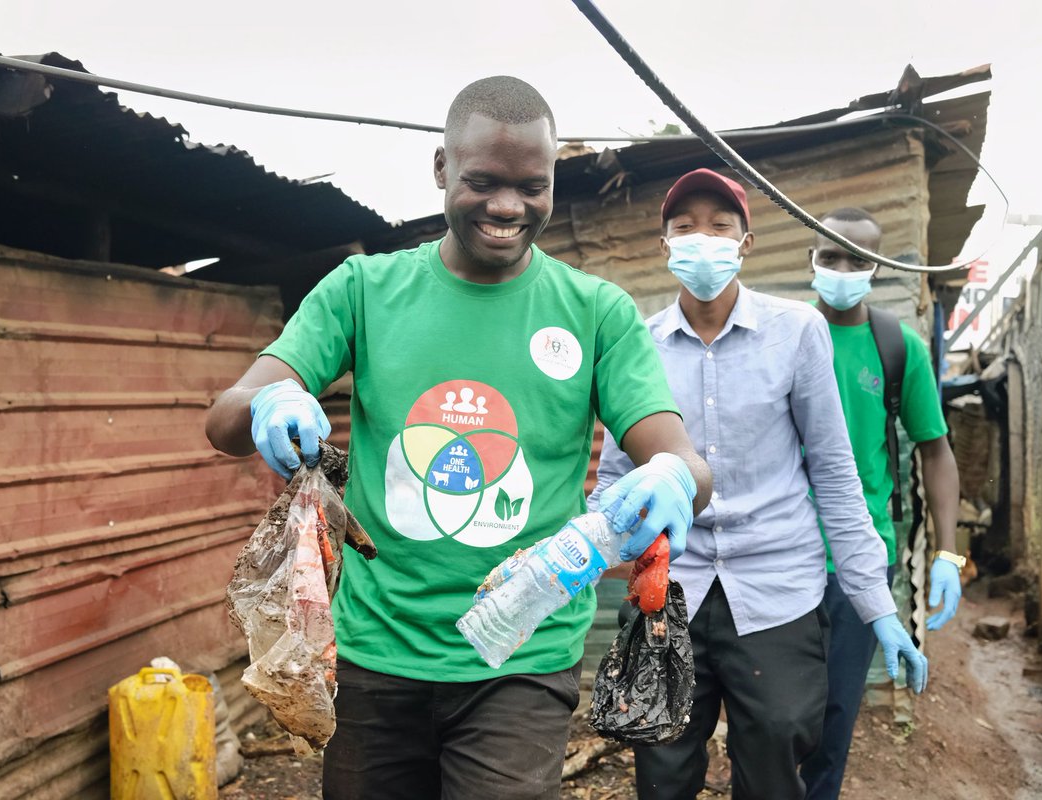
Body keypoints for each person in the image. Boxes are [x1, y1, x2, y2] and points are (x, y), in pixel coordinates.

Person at [205, 76, 712, 800]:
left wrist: (671, 476)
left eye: (531, 186)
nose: (508, 207)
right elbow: (225, 417)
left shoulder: (596, 311)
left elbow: (681, 457)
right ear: (442, 171)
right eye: (482, 182)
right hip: (378, 654)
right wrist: (268, 400)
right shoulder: (364, 290)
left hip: (521, 659)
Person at [589, 168, 928, 800]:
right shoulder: (639, 345)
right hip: (671, 594)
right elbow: (613, 482)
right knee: (661, 769)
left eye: (720, 226)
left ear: (746, 242)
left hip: (776, 587)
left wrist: (876, 603)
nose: (703, 239)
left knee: (777, 753)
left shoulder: (798, 331)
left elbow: (833, 471)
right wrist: (586, 556)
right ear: (664, 247)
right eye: (685, 227)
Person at [799, 207, 964, 800]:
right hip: (778, 555)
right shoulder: (784, 334)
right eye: (831, 256)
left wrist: (948, 552)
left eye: (858, 259)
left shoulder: (897, 347)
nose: (843, 269)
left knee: (836, 712)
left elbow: (936, 451)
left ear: (878, 266)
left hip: (859, 562)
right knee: (771, 712)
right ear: (809, 261)